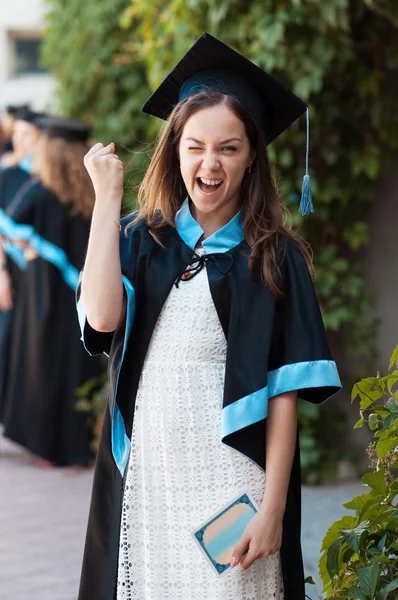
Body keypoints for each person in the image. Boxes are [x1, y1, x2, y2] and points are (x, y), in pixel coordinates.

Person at [77, 33, 341, 600]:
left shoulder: (273, 256)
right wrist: (106, 202)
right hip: (151, 472)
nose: (210, 163)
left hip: (231, 478)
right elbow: (100, 320)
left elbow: (283, 395)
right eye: (195, 146)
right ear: (174, 150)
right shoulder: (142, 240)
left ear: (251, 158)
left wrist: (273, 508)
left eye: (229, 147)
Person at [1, 116, 102, 466]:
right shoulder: (95, 190)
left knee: (43, 363)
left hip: (44, 288)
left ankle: (47, 449)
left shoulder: (40, 188)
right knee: (79, 362)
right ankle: (79, 448)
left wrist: (32, 247)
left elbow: (9, 221)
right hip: (87, 288)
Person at [0, 108, 42, 418]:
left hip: (38, 274)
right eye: (17, 134)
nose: (21, 141)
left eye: (27, 135)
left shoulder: (45, 177)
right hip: (9, 270)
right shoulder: (7, 175)